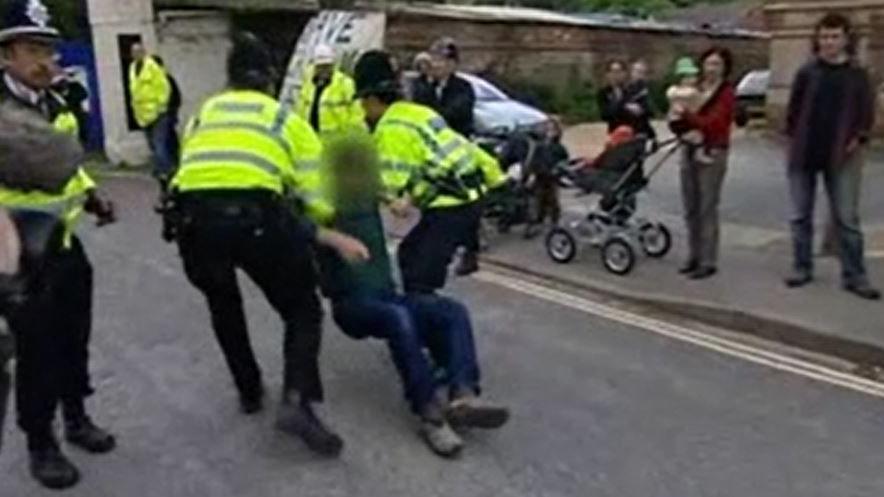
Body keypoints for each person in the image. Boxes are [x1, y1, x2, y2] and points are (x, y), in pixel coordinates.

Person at [169, 32, 369, 458]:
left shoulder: (202, 115)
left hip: (193, 224)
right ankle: (297, 401)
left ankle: (249, 392)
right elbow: (318, 198)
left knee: (223, 305)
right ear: (271, 78)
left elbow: (198, 166)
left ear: (229, 78)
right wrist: (321, 227)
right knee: (302, 309)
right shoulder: (283, 118)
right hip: (257, 222)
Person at [316, 134, 509, 458]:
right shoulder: (320, 201)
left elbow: (401, 186)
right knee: (399, 318)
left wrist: (399, 199)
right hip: (351, 304)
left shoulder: (367, 191)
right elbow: (293, 225)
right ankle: (430, 414)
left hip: (386, 295)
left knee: (451, 311)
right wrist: (334, 239)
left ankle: (463, 396)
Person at [0, 0, 118, 489]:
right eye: (33, 50)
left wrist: (91, 193)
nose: (45, 61)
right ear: (6, 55)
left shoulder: (56, 102)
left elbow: (68, 162)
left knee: (73, 339)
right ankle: (40, 443)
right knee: (37, 351)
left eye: (49, 49)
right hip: (21, 257)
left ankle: (76, 416)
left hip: (64, 246)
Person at [353, 50, 505, 295]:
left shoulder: (390, 129)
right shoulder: (420, 113)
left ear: (371, 99)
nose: (362, 112)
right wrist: (496, 178)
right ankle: (425, 314)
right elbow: (463, 149)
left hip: (451, 205)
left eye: (362, 103)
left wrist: (380, 195)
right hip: (470, 197)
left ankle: (430, 324)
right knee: (410, 255)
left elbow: (395, 192)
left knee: (418, 274)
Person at [783, 13, 879, 300]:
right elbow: (793, 111)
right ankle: (802, 267)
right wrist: (791, 141)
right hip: (805, 152)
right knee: (800, 216)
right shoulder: (807, 72)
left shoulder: (857, 74)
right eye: (824, 37)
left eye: (835, 36)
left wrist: (858, 138)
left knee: (847, 219)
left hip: (841, 155)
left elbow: (866, 113)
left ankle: (855, 275)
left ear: (846, 39)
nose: (829, 42)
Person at [411, 38, 483, 276]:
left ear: (453, 64)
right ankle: (433, 250)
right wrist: (427, 83)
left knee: (466, 203)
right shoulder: (424, 86)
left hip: (459, 155)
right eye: (434, 60)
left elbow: (451, 115)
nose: (437, 65)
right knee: (431, 201)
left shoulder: (463, 88)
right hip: (432, 154)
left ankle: (470, 252)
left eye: (442, 61)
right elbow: (419, 112)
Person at [671, 48, 736, 280]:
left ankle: (708, 260)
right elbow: (676, 120)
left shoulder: (726, 93)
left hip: (713, 152)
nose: (711, 69)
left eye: (717, 64)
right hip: (689, 149)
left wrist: (687, 115)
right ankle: (693, 255)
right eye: (708, 64)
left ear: (725, 67)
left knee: (707, 207)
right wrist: (681, 125)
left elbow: (714, 124)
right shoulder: (694, 89)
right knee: (691, 207)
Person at [129, 42, 177, 183]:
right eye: (133, 52)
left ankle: (165, 171)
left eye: (138, 51)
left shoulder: (152, 67)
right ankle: (161, 168)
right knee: (152, 144)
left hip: (157, 112)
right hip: (143, 114)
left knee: (158, 143)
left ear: (144, 52)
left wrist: (161, 106)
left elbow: (163, 87)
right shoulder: (132, 68)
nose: (135, 54)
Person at [295, 44, 365, 138]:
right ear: (315, 66)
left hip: (338, 142)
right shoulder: (308, 84)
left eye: (327, 66)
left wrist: (350, 139)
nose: (324, 70)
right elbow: (299, 112)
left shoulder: (345, 84)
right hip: (312, 139)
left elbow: (357, 115)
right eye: (321, 66)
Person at [667, 57, 714, 165]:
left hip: (673, 120)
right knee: (698, 136)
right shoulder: (692, 92)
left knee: (686, 137)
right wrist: (709, 93)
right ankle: (699, 155)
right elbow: (701, 101)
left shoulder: (673, 91)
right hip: (684, 120)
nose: (695, 79)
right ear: (684, 79)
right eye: (692, 77)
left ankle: (683, 156)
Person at [625, 59, 657, 139]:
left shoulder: (647, 89)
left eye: (641, 72)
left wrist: (641, 109)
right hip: (627, 128)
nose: (638, 74)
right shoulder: (626, 89)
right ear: (631, 72)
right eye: (636, 71)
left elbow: (651, 110)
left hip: (642, 128)